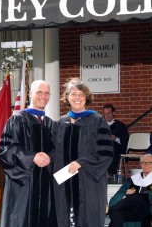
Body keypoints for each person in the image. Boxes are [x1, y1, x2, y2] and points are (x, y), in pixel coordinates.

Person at [54, 78, 114, 227]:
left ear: (86, 97)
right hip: (65, 180)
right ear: (67, 97)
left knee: (89, 218)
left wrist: (81, 162)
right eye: (73, 94)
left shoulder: (97, 120)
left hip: (88, 181)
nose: (77, 98)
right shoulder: (61, 123)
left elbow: (106, 152)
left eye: (81, 94)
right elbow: (54, 152)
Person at [0, 80, 57, 227]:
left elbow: (59, 152)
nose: (43, 96)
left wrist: (50, 157)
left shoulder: (52, 124)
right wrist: (32, 157)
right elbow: (6, 149)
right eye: (39, 92)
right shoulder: (16, 120)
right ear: (30, 94)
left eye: (46, 93)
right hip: (23, 187)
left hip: (46, 188)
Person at [108, 154, 152, 227]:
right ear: (140, 164)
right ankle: (114, 209)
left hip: (148, 209)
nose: (146, 164)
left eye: (149, 162)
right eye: (143, 162)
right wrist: (125, 194)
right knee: (117, 213)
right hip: (132, 209)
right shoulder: (133, 179)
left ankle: (111, 210)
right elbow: (119, 194)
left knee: (136, 197)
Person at [103, 103, 129, 175]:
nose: (107, 116)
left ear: (113, 113)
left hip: (116, 148)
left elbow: (125, 141)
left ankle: (111, 175)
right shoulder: (100, 125)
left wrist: (115, 138)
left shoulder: (120, 126)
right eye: (105, 114)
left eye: (109, 113)